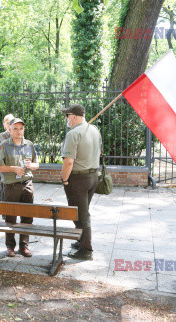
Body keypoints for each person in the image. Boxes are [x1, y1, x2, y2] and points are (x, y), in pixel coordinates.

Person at [60, 104, 101, 260]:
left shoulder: (73, 134)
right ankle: (81, 240)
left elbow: (68, 162)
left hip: (78, 179)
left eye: (67, 116)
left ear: (74, 117)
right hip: (93, 177)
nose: (66, 119)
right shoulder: (94, 130)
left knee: (81, 214)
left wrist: (64, 180)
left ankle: (86, 250)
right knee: (80, 211)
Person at [0, 118, 39, 258]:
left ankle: (24, 246)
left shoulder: (29, 144)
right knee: (10, 217)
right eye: (15, 129)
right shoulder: (3, 146)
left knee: (27, 217)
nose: (19, 131)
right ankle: (10, 246)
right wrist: (12, 168)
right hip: (10, 186)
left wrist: (31, 166)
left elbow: (37, 164)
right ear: (10, 130)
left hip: (27, 185)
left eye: (21, 128)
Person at [0, 114, 15, 205]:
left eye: (11, 122)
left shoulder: (16, 133)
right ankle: (1, 202)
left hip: (13, 162)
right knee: (3, 183)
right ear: (4, 124)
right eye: (7, 123)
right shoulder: (1, 136)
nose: (9, 125)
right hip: (3, 163)